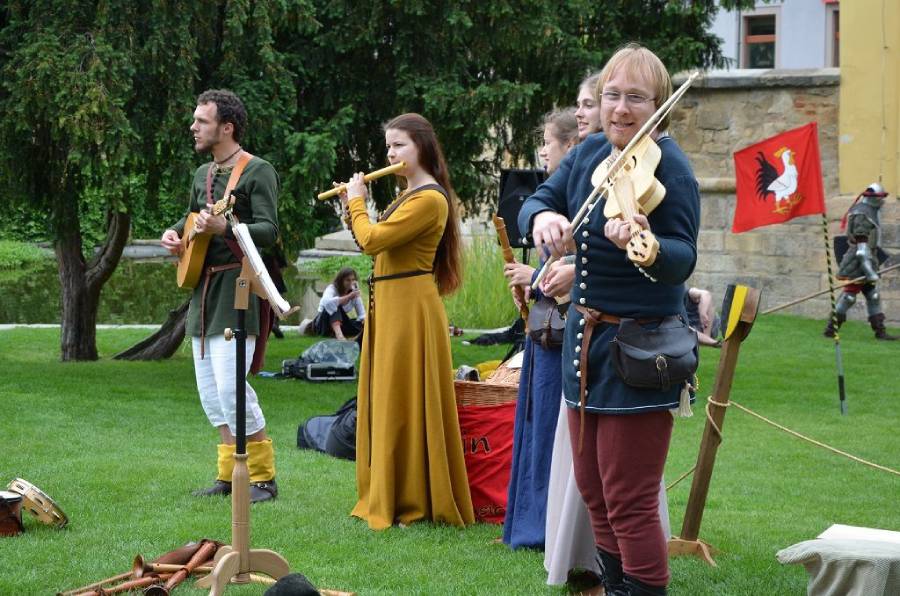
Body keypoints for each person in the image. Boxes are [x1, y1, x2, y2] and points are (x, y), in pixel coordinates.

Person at [521, 44, 700, 595]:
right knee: (596, 490)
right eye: (613, 96)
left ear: (659, 106)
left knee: (630, 497)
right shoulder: (590, 151)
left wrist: (643, 246)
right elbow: (536, 200)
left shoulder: (670, 167)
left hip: (640, 352)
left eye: (637, 98)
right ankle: (614, 587)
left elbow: (682, 257)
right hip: (585, 348)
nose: (621, 109)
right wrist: (545, 216)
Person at [338, 113, 475, 530]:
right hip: (392, 303)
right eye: (389, 147)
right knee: (390, 399)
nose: (391, 154)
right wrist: (352, 209)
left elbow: (374, 238)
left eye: (399, 145)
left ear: (422, 147)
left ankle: (414, 500)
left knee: (407, 401)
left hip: (410, 309)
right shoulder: (408, 196)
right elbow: (375, 247)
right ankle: (391, 490)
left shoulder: (430, 199)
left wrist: (358, 200)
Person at [160, 89, 279, 503]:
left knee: (232, 388)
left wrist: (225, 229)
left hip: (237, 287)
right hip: (203, 292)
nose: (193, 127)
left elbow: (268, 230)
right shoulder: (202, 174)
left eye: (202, 121)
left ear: (226, 127)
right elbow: (195, 213)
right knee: (210, 393)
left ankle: (262, 477)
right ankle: (229, 476)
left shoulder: (257, 171)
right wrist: (177, 233)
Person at [501, 108, 578, 550]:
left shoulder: (583, 197)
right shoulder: (554, 200)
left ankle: (546, 528)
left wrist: (534, 279)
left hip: (565, 334)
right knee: (536, 422)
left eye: (547, 143)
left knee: (552, 426)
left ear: (569, 146)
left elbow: (579, 269)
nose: (542, 152)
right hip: (546, 329)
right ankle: (530, 523)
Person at [824, 183, 897, 340]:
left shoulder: (869, 211)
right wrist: (870, 272)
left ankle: (880, 332)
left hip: (869, 259)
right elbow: (861, 249)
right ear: (872, 198)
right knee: (849, 296)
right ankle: (831, 329)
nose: (882, 201)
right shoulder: (862, 213)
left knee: (873, 295)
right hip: (858, 262)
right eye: (880, 198)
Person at [311, 267, 365, 343]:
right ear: (341, 280)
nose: (351, 282)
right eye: (348, 280)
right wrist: (349, 297)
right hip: (322, 323)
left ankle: (343, 333)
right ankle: (340, 336)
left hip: (339, 323)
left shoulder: (354, 292)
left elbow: (362, 314)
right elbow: (327, 303)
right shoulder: (332, 288)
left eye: (353, 280)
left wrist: (365, 323)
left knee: (359, 323)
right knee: (335, 306)